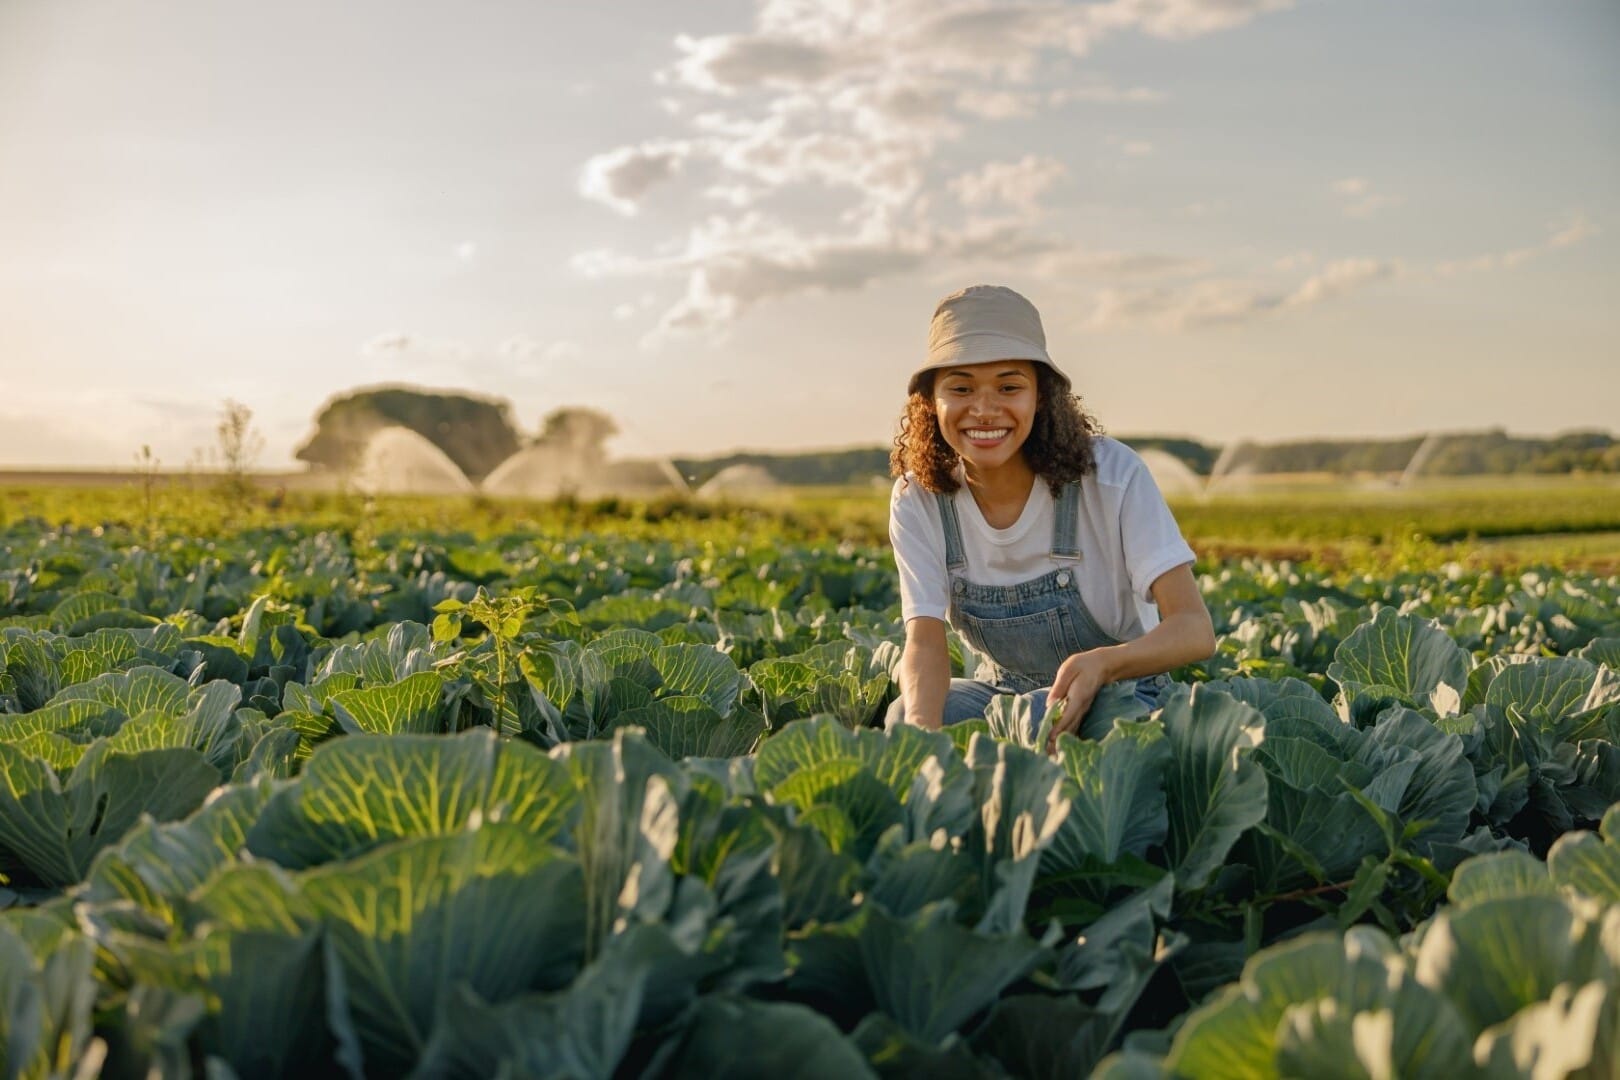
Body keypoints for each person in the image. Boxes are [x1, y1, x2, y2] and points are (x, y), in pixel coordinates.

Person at [884, 284, 1215, 747]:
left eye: (1009, 386)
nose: (983, 409)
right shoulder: (918, 498)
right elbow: (923, 641)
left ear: (1041, 395)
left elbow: (1194, 630)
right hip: (1004, 696)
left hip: (1120, 693)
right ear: (930, 401)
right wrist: (919, 742)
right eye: (960, 387)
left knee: (1061, 721)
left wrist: (1104, 663)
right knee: (908, 713)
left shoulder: (1113, 476)